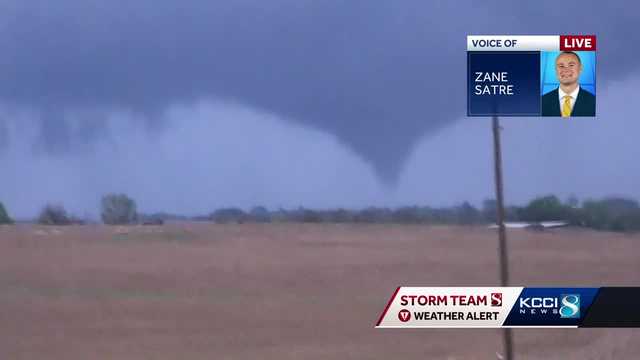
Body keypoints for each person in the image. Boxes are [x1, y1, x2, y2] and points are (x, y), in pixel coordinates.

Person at [541, 51, 595, 117]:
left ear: (581, 68)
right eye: (561, 66)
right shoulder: (541, 102)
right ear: (555, 70)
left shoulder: (594, 103)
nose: (566, 70)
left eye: (571, 65)